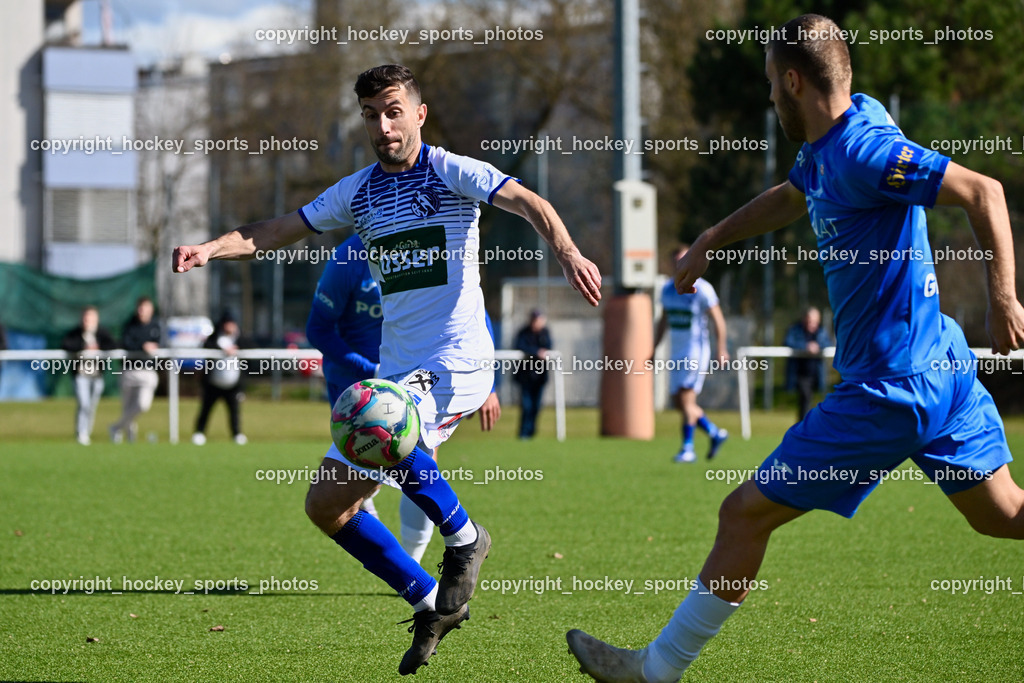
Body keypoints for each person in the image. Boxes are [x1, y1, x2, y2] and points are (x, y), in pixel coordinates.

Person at [567, 14, 1024, 682]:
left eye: (769, 85)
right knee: (1005, 514)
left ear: (791, 80)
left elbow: (984, 190)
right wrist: (710, 241)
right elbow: (791, 195)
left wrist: (1005, 299)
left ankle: (656, 669)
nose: (767, 100)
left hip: (888, 391)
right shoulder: (836, 139)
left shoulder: (864, 149)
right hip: (944, 371)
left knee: (743, 512)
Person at [172, 64, 601, 675]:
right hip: (398, 375)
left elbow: (528, 200)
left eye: (394, 110)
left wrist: (567, 250)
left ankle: (465, 538)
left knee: (385, 430)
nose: (383, 124)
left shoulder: (450, 171)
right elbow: (277, 230)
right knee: (327, 505)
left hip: (458, 362)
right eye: (372, 113)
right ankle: (431, 600)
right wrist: (210, 248)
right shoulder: (358, 191)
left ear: (419, 114)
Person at [306, 232, 502, 563]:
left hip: (410, 378)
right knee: (355, 485)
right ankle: (388, 553)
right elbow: (318, 328)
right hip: (352, 388)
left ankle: (411, 561)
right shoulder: (349, 258)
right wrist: (367, 369)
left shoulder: (430, 246)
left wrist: (486, 382)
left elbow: (473, 314)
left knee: (422, 460)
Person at [654, 246, 729, 462]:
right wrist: (654, 348)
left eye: (684, 259)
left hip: (695, 352)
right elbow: (664, 321)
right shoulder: (667, 289)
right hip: (675, 352)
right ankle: (714, 433)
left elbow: (718, 320)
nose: (680, 264)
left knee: (687, 400)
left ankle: (688, 448)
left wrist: (721, 348)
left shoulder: (702, 288)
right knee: (678, 402)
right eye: (676, 261)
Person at [61, 306, 116, 445]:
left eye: (91, 318)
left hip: (97, 376)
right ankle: (81, 432)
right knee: (84, 403)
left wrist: (98, 348)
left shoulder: (102, 333)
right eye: (86, 317)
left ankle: (87, 431)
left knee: (91, 405)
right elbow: (66, 344)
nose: (88, 321)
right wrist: (83, 347)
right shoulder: (76, 333)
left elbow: (113, 344)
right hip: (81, 375)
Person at [110, 297, 162, 443]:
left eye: (145, 308)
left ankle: (116, 427)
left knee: (142, 405)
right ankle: (129, 438)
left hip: (147, 371)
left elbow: (160, 343)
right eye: (140, 308)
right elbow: (125, 343)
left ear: (151, 310)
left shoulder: (155, 326)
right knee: (127, 407)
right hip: (129, 371)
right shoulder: (129, 325)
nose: (142, 311)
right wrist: (142, 347)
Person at [191, 313, 247, 445]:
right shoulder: (215, 337)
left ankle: (237, 434)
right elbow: (206, 347)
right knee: (205, 410)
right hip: (213, 383)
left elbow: (251, 347)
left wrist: (236, 349)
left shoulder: (240, 338)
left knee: (234, 412)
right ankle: (199, 433)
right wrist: (223, 350)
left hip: (232, 385)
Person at [784, 306, 831, 421]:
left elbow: (828, 344)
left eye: (815, 322)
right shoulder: (795, 330)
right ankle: (803, 426)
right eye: (810, 321)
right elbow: (788, 342)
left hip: (816, 372)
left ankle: (810, 426)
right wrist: (805, 347)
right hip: (800, 373)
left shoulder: (822, 332)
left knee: (817, 401)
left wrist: (818, 347)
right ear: (805, 319)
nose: (812, 324)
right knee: (805, 398)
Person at [512, 309, 551, 439]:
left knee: (536, 407)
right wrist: (536, 352)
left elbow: (549, 348)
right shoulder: (523, 333)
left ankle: (531, 433)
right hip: (525, 377)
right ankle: (523, 434)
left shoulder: (545, 333)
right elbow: (520, 346)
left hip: (539, 378)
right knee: (526, 406)